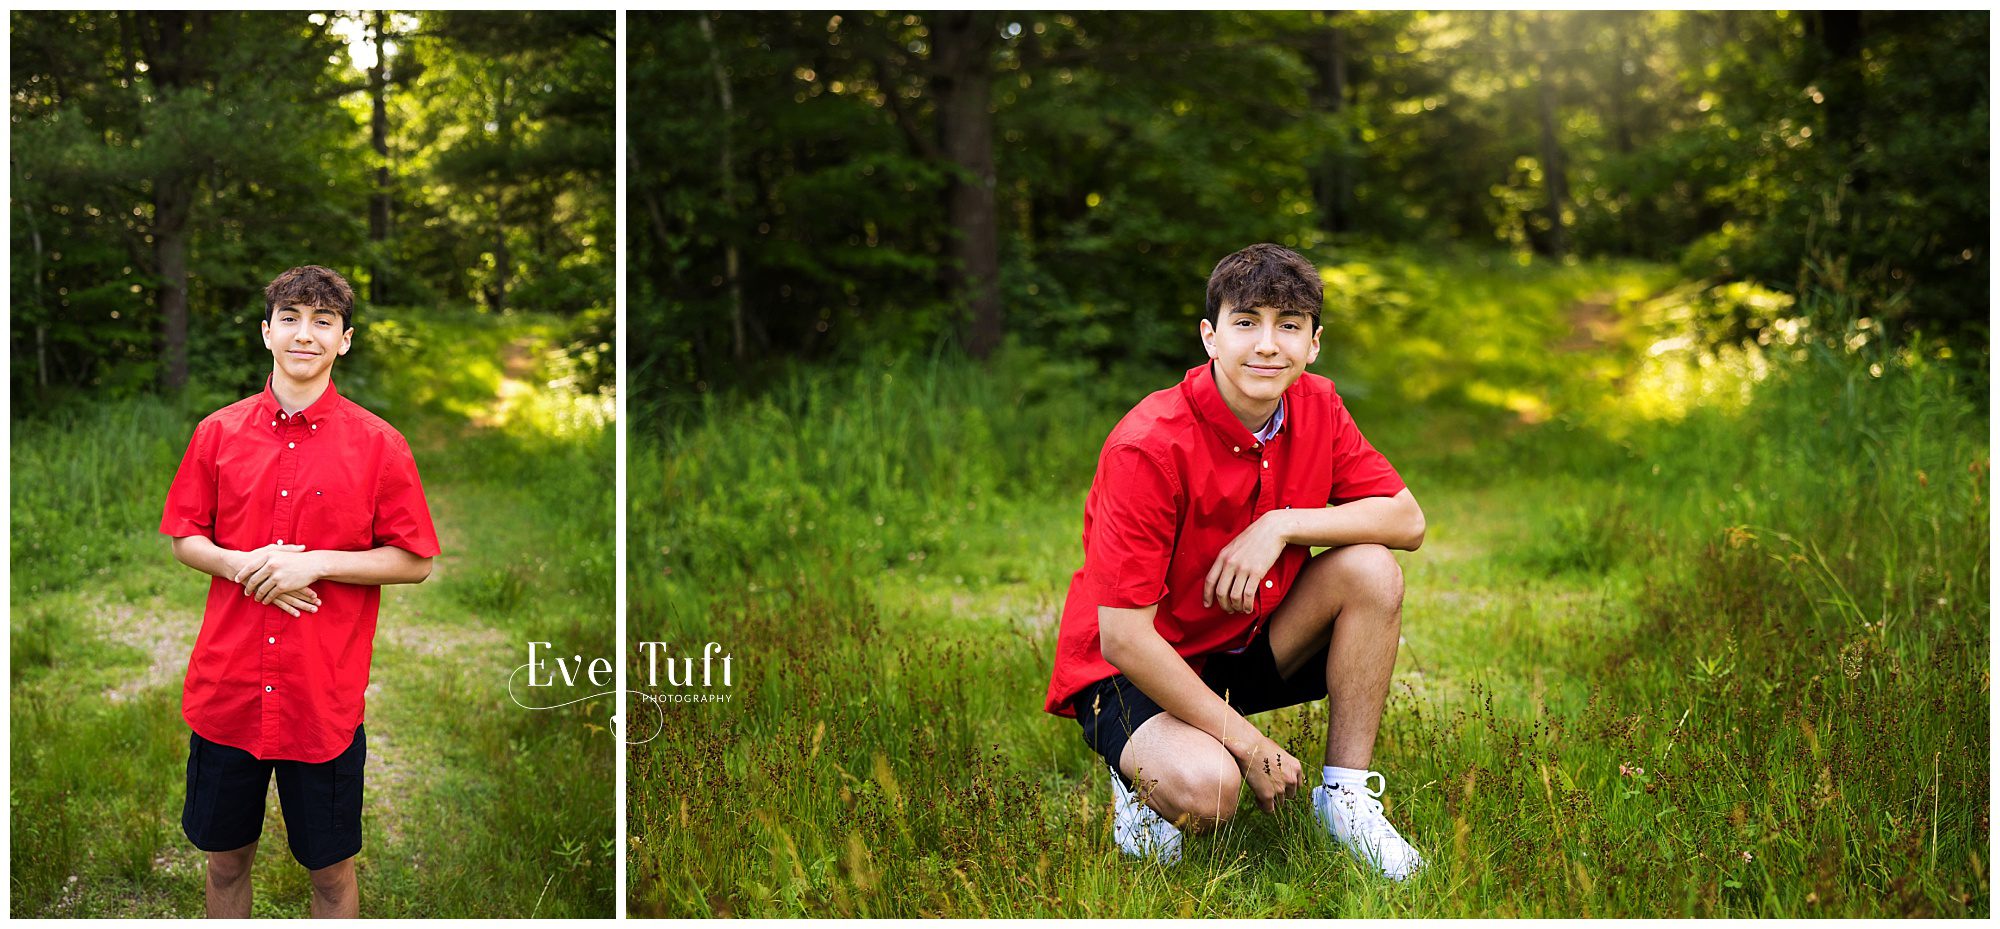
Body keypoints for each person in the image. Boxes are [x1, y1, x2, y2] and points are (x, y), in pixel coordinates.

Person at [1043, 243, 1427, 879]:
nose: (1267, 345)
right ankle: (1138, 775)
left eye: (1289, 326)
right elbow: (1124, 638)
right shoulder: (1148, 446)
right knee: (1210, 792)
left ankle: (1346, 799)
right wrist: (1251, 748)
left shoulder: (1318, 406)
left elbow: (1406, 521)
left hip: (1239, 641)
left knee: (1372, 569)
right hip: (1132, 667)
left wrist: (1281, 524)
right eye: (1246, 322)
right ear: (1210, 337)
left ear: (1313, 344)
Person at [160, 266, 440, 917]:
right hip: (228, 690)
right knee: (225, 862)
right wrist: (245, 566)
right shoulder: (217, 432)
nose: (304, 334)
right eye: (290, 318)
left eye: (322, 321)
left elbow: (415, 560)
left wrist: (313, 565)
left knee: (330, 873)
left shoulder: (381, 445)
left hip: (322, 697)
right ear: (267, 332)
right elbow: (185, 538)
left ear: (345, 339)